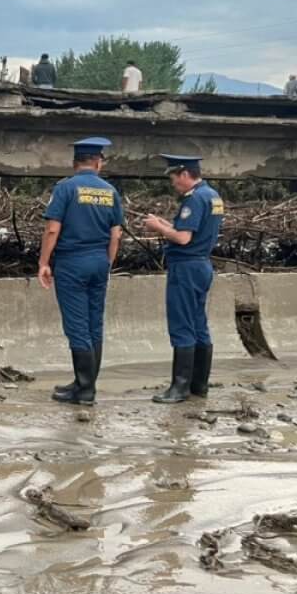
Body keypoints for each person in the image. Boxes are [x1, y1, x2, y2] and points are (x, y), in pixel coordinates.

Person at [38, 137, 124, 406]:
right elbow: (116, 234)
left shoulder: (65, 188)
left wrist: (43, 262)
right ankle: (83, 383)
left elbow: (53, 229)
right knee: (94, 325)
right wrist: (107, 262)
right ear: (98, 163)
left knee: (77, 326)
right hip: (99, 261)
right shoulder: (110, 191)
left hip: (73, 263)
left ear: (75, 163)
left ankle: (85, 391)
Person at [142, 155, 224, 404]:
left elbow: (183, 238)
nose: (173, 183)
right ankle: (199, 385)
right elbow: (191, 231)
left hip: (186, 267)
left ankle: (179, 388)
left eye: (174, 178)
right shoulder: (212, 195)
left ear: (185, 174)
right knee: (199, 325)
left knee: (182, 326)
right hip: (202, 265)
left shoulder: (195, 199)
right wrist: (166, 224)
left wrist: (158, 228)